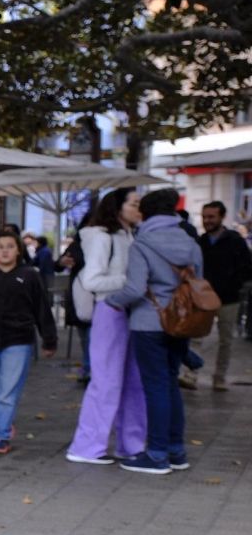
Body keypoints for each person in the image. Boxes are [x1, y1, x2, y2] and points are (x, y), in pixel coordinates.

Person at [107, 188, 205, 474]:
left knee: (156, 387)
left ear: (146, 213)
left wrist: (113, 301)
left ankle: (157, 454)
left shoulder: (143, 243)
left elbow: (135, 289)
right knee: (171, 383)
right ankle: (176, 451)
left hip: (149, 323)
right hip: (181, 322)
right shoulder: (190, 242)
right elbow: (196, 283)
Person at [66, 189, 146, 464]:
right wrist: (129, 282)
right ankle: (87, 445)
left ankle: (131, 445)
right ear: (118, 207)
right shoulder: (101, 237)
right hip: (109, 311)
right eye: (134, 204)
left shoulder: (129, 235)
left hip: (128, 311)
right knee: (106, 381)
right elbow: (92, 281)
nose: (139, 208)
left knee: (132, 382)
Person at [0, 227, 58, 454]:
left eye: (10, 247)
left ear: (18, 251)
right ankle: (4, 420)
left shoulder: (30, 276)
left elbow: (42, 308)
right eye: (0, 247)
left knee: (7, 392)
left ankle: (0, 437)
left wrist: (49, 339)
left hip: (19, 341)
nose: (5, 251)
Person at [196, 200, 249, 391]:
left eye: (211, 217)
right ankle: (191, 374)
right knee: (196, 336)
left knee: (226, 340)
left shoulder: (234, 240)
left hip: (228, 299)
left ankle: (219, 377)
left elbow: (247, 267)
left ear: (221, 217)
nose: (207, 221)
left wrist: (235, 284)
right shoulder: (200, 241)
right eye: (204, 217)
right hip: (203, 298)